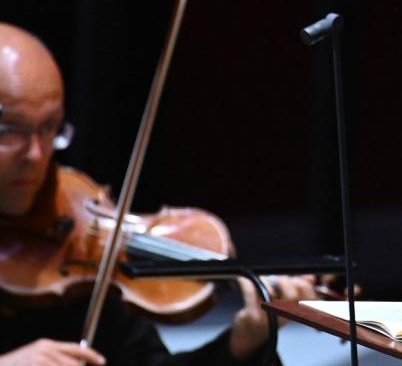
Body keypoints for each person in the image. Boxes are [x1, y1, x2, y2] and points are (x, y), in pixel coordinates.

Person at [0, 22, 315, 365]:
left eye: (49, 128)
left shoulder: (75, 240)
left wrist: (242, 343)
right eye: (10, 130)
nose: (36, 154)